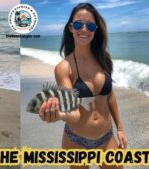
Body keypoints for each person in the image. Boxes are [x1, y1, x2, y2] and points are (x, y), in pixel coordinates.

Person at [38, 3, 127, 169]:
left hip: (106, 137)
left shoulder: (104, 60)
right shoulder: (64, 68)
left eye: (90, 25)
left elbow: (110, 97)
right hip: (75, 139)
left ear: (95, 30)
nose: (84, 30)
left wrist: (120, 129)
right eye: (78, 24)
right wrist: (60, 115)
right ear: (71, 28)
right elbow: (74, 112)